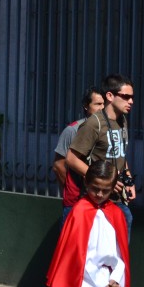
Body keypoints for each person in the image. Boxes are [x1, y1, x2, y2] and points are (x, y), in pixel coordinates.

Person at [67, 75, 135, 240]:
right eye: (126, 97)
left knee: (120, 245)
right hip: (97, 198)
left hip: (118, 199)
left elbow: (119, 153)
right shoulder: (93, 124)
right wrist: (102, 179)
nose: (131, 101)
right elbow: (71, 158)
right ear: (110, 96)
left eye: (132, 97)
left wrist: (129, 179)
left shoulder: (122, 121)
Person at [53, 87, 104, 219]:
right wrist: (72, 189)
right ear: (86, 107)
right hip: (75, 202)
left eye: (104, 104)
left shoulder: (107, 131)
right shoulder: (72, 130)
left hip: (99, 201)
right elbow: (59, 166)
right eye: (97, 104)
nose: (102, 108)